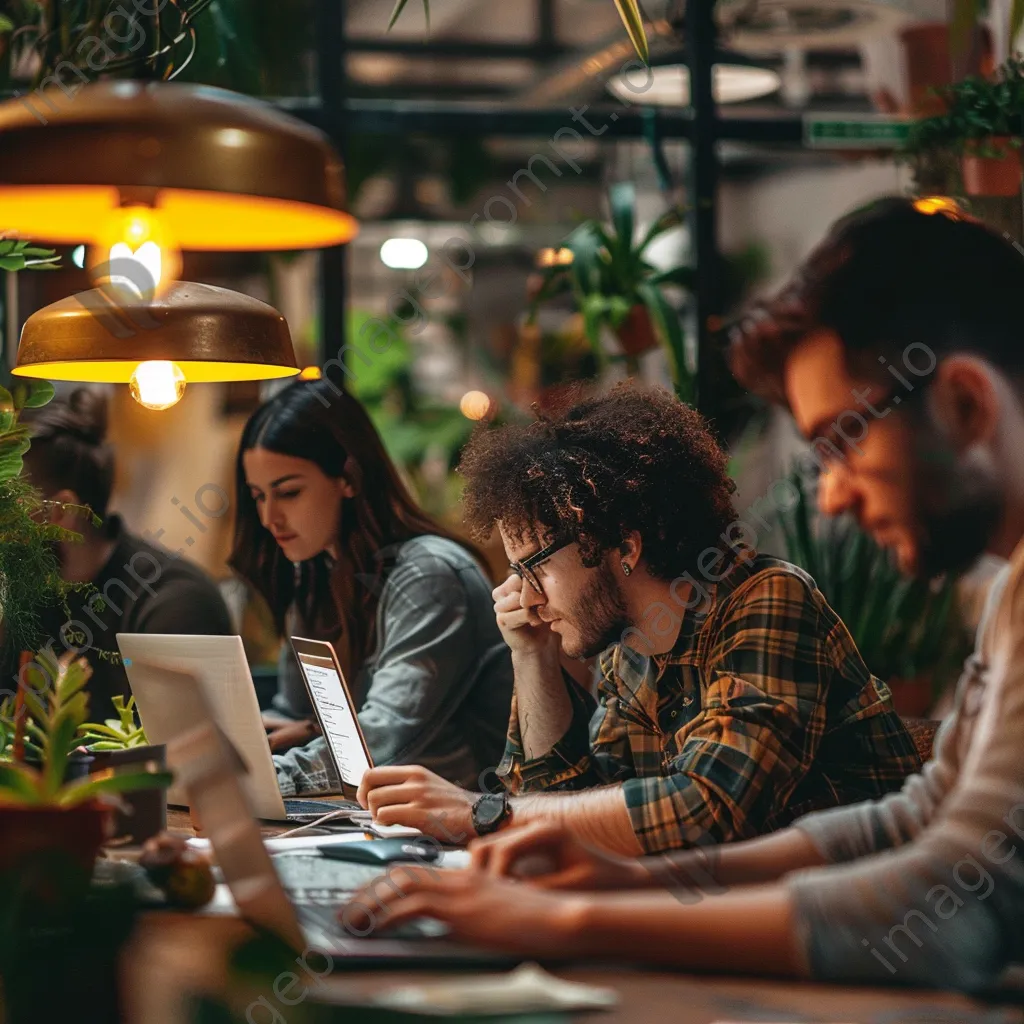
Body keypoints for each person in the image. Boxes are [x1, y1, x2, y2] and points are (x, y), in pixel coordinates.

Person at [343, 197, 1024, 992]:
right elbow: (908, 822)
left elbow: (952, 901)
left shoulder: (767, 601)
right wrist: (618, 884)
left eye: (846, 437)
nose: (830, 496)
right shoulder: (1011, 592)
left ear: (968, 404)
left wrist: (570, 916)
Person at [356, 382, 920, 854]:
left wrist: (484, 814)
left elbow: (709, 806)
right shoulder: (629, 651)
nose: (520, 596)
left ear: (622, 546)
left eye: (532, 567)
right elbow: (573, 803)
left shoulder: (767, 602)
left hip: (865, 936)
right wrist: (532, 658)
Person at [229, 378, 514, 795]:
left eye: (288, 492)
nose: (269, 517)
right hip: (372, 817)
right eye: (257, 497)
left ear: (348, 477)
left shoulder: (429, 575)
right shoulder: (314, 574)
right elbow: (293, 713)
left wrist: (250, 778)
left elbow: (378, 742)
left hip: (462, 830)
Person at [12, 388, 233, 716]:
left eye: (9, 510)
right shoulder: (30, 598)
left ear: (61, 512)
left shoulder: (174, 605)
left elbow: (184, 758)